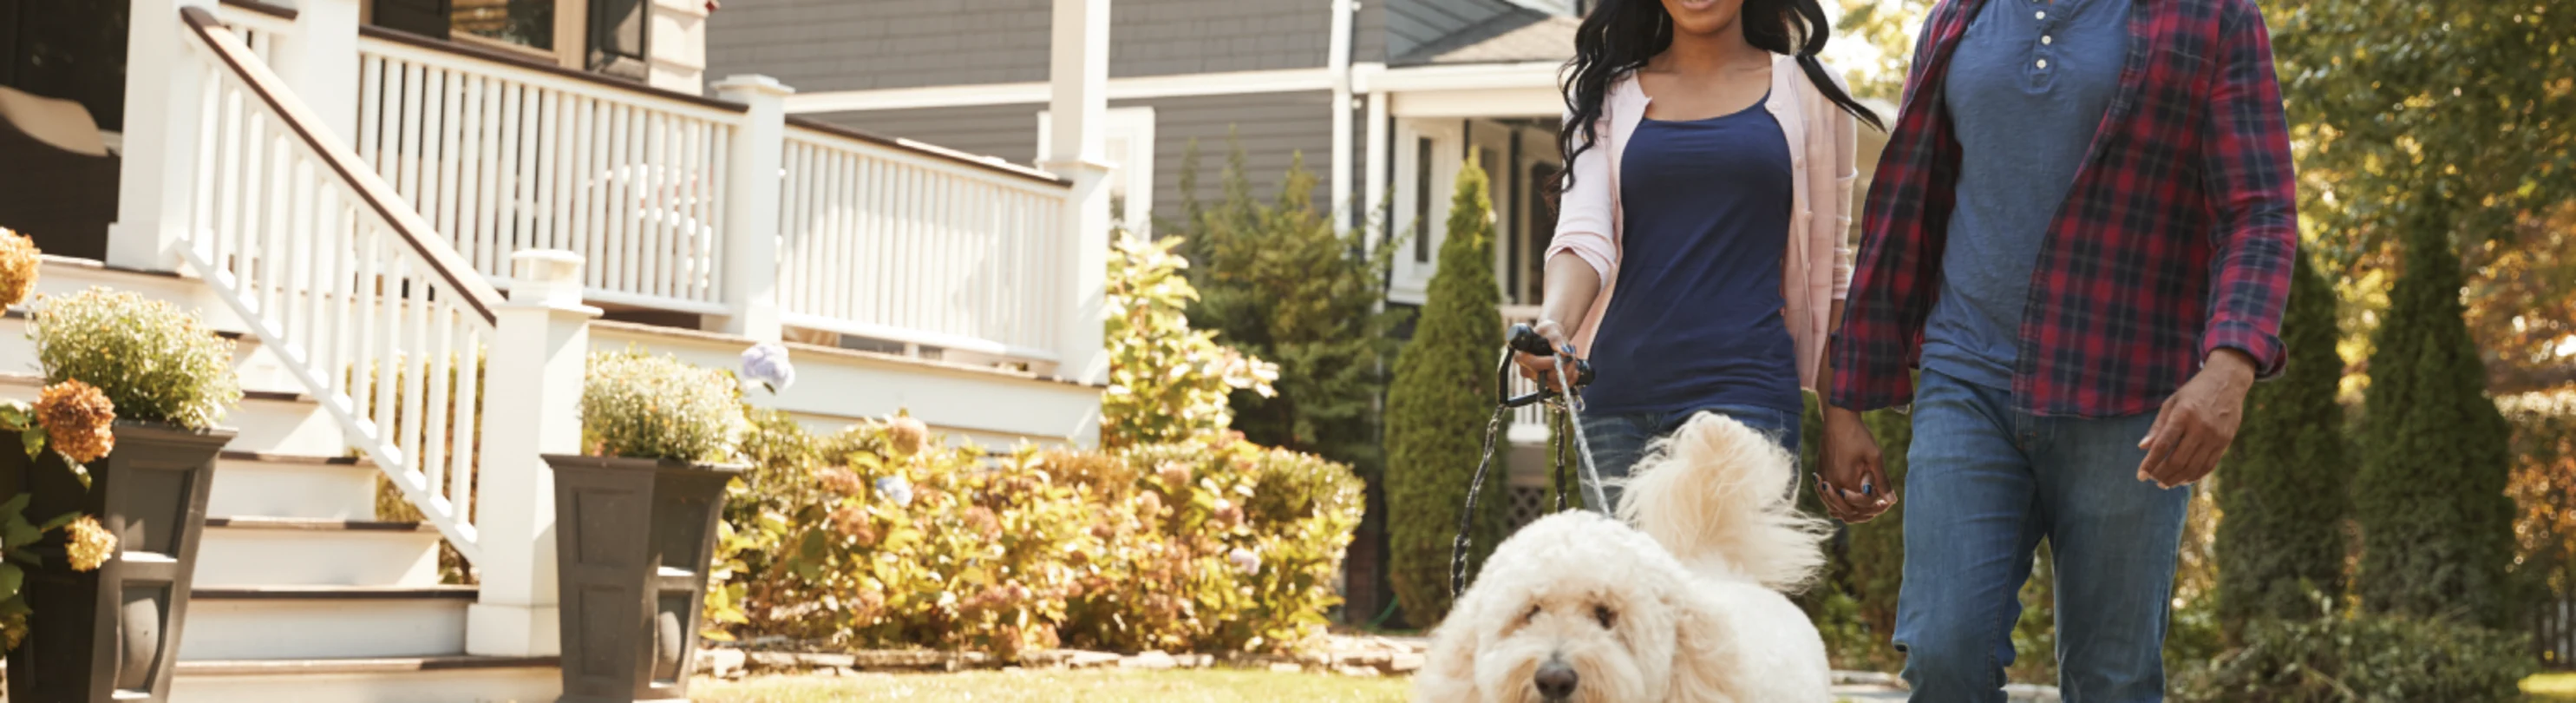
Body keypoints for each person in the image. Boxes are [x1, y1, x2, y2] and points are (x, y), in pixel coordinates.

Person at [1821, 0, 2298, 699]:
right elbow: (1908, 209)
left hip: (2132, 398)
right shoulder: (1958, 16)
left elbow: (2259, 207)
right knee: (1944, 655)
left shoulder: (2211, 16)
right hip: (1968, 380)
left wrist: (2231, 365)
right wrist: (1848, 400)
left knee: (2113, 677)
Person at [1518, 0, 1883, 512]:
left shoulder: (1811, 91)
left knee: (1730, 593)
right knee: (1633, 593)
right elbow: (1582, 234)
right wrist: (1554, 326)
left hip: (1749, 400)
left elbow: (1832, 271)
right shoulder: (1602, 93)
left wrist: (1841, 416)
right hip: (1618, 406)